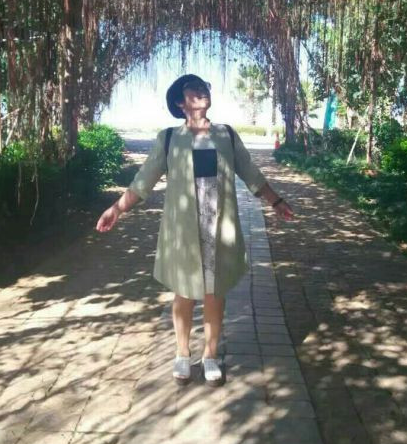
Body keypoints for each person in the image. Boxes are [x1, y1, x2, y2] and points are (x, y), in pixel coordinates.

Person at [96, 74, 294, 387]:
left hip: (219, 229)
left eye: (204, 88)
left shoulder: (226, 135)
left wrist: (276, 201)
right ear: (180, 102)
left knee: (214, 294)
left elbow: (251, 174)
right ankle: (182, 353)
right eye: (194, 89)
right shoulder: (169, 139)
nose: (202, 92)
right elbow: (143, 181)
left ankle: (210, 356)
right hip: (184, 233)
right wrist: (116, 209)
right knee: (185, 293)